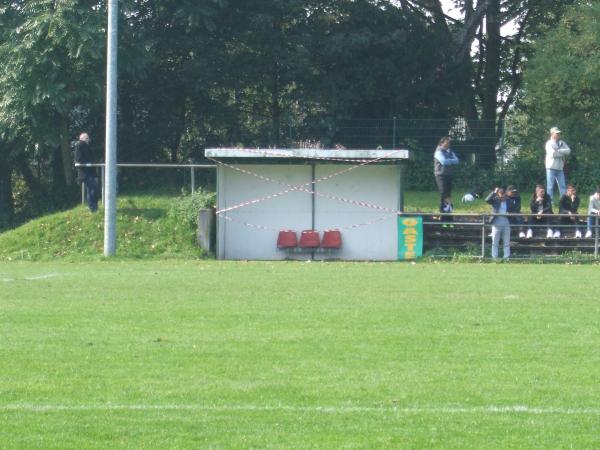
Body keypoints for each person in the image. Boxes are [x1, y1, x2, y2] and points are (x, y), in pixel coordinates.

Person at [486, 187, 514, 260]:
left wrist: (509, 213)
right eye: (501, 196)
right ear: (498, 195)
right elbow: (487, 200)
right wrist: (494, 192)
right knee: (495, 241)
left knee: (506, 241)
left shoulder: (509, 201)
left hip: (506, 221)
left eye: (504, 196)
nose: (502, 198)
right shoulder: (495, 200)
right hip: (496, 222)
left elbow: (514, 211)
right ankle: (494, 258)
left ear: (505, 195)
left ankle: (506, 258)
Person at [73, 132, 98, 212]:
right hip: (85, 172)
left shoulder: (86, 146)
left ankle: (94, 206)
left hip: (90, 172)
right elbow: (78, 159)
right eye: (86, 138)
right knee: (93, 187)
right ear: (82, 138)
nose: (88, 140)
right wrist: (89, 163)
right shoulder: (80, 145)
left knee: (92, 188)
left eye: (88, 138)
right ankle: (92, 206)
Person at [545, 126, 571, 200]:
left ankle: (564, 201)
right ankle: (550, 202)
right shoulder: (549, 143)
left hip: (560, 168)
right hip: (550, 167)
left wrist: (559, 151)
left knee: (562, 186)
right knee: (550, 186)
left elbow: (568, 151)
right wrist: (563, 153)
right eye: (557, 133)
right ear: (552, 134)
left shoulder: (562, 142)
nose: (559, 134)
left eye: (559, 133)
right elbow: (552, 154)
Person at [433, 137, 459, 208]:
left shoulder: (450, 151)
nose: (448, 144)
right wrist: (451, 160)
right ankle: (448, 206)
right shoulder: (438, 152)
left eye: (449, 143)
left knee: (448, 193)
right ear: (441, 143)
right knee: (443, 192)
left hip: (449, 174)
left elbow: (457, 161)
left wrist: (448, 160)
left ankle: (446, 210)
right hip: (440, 175)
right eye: (447, 143)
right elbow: (443, 162)